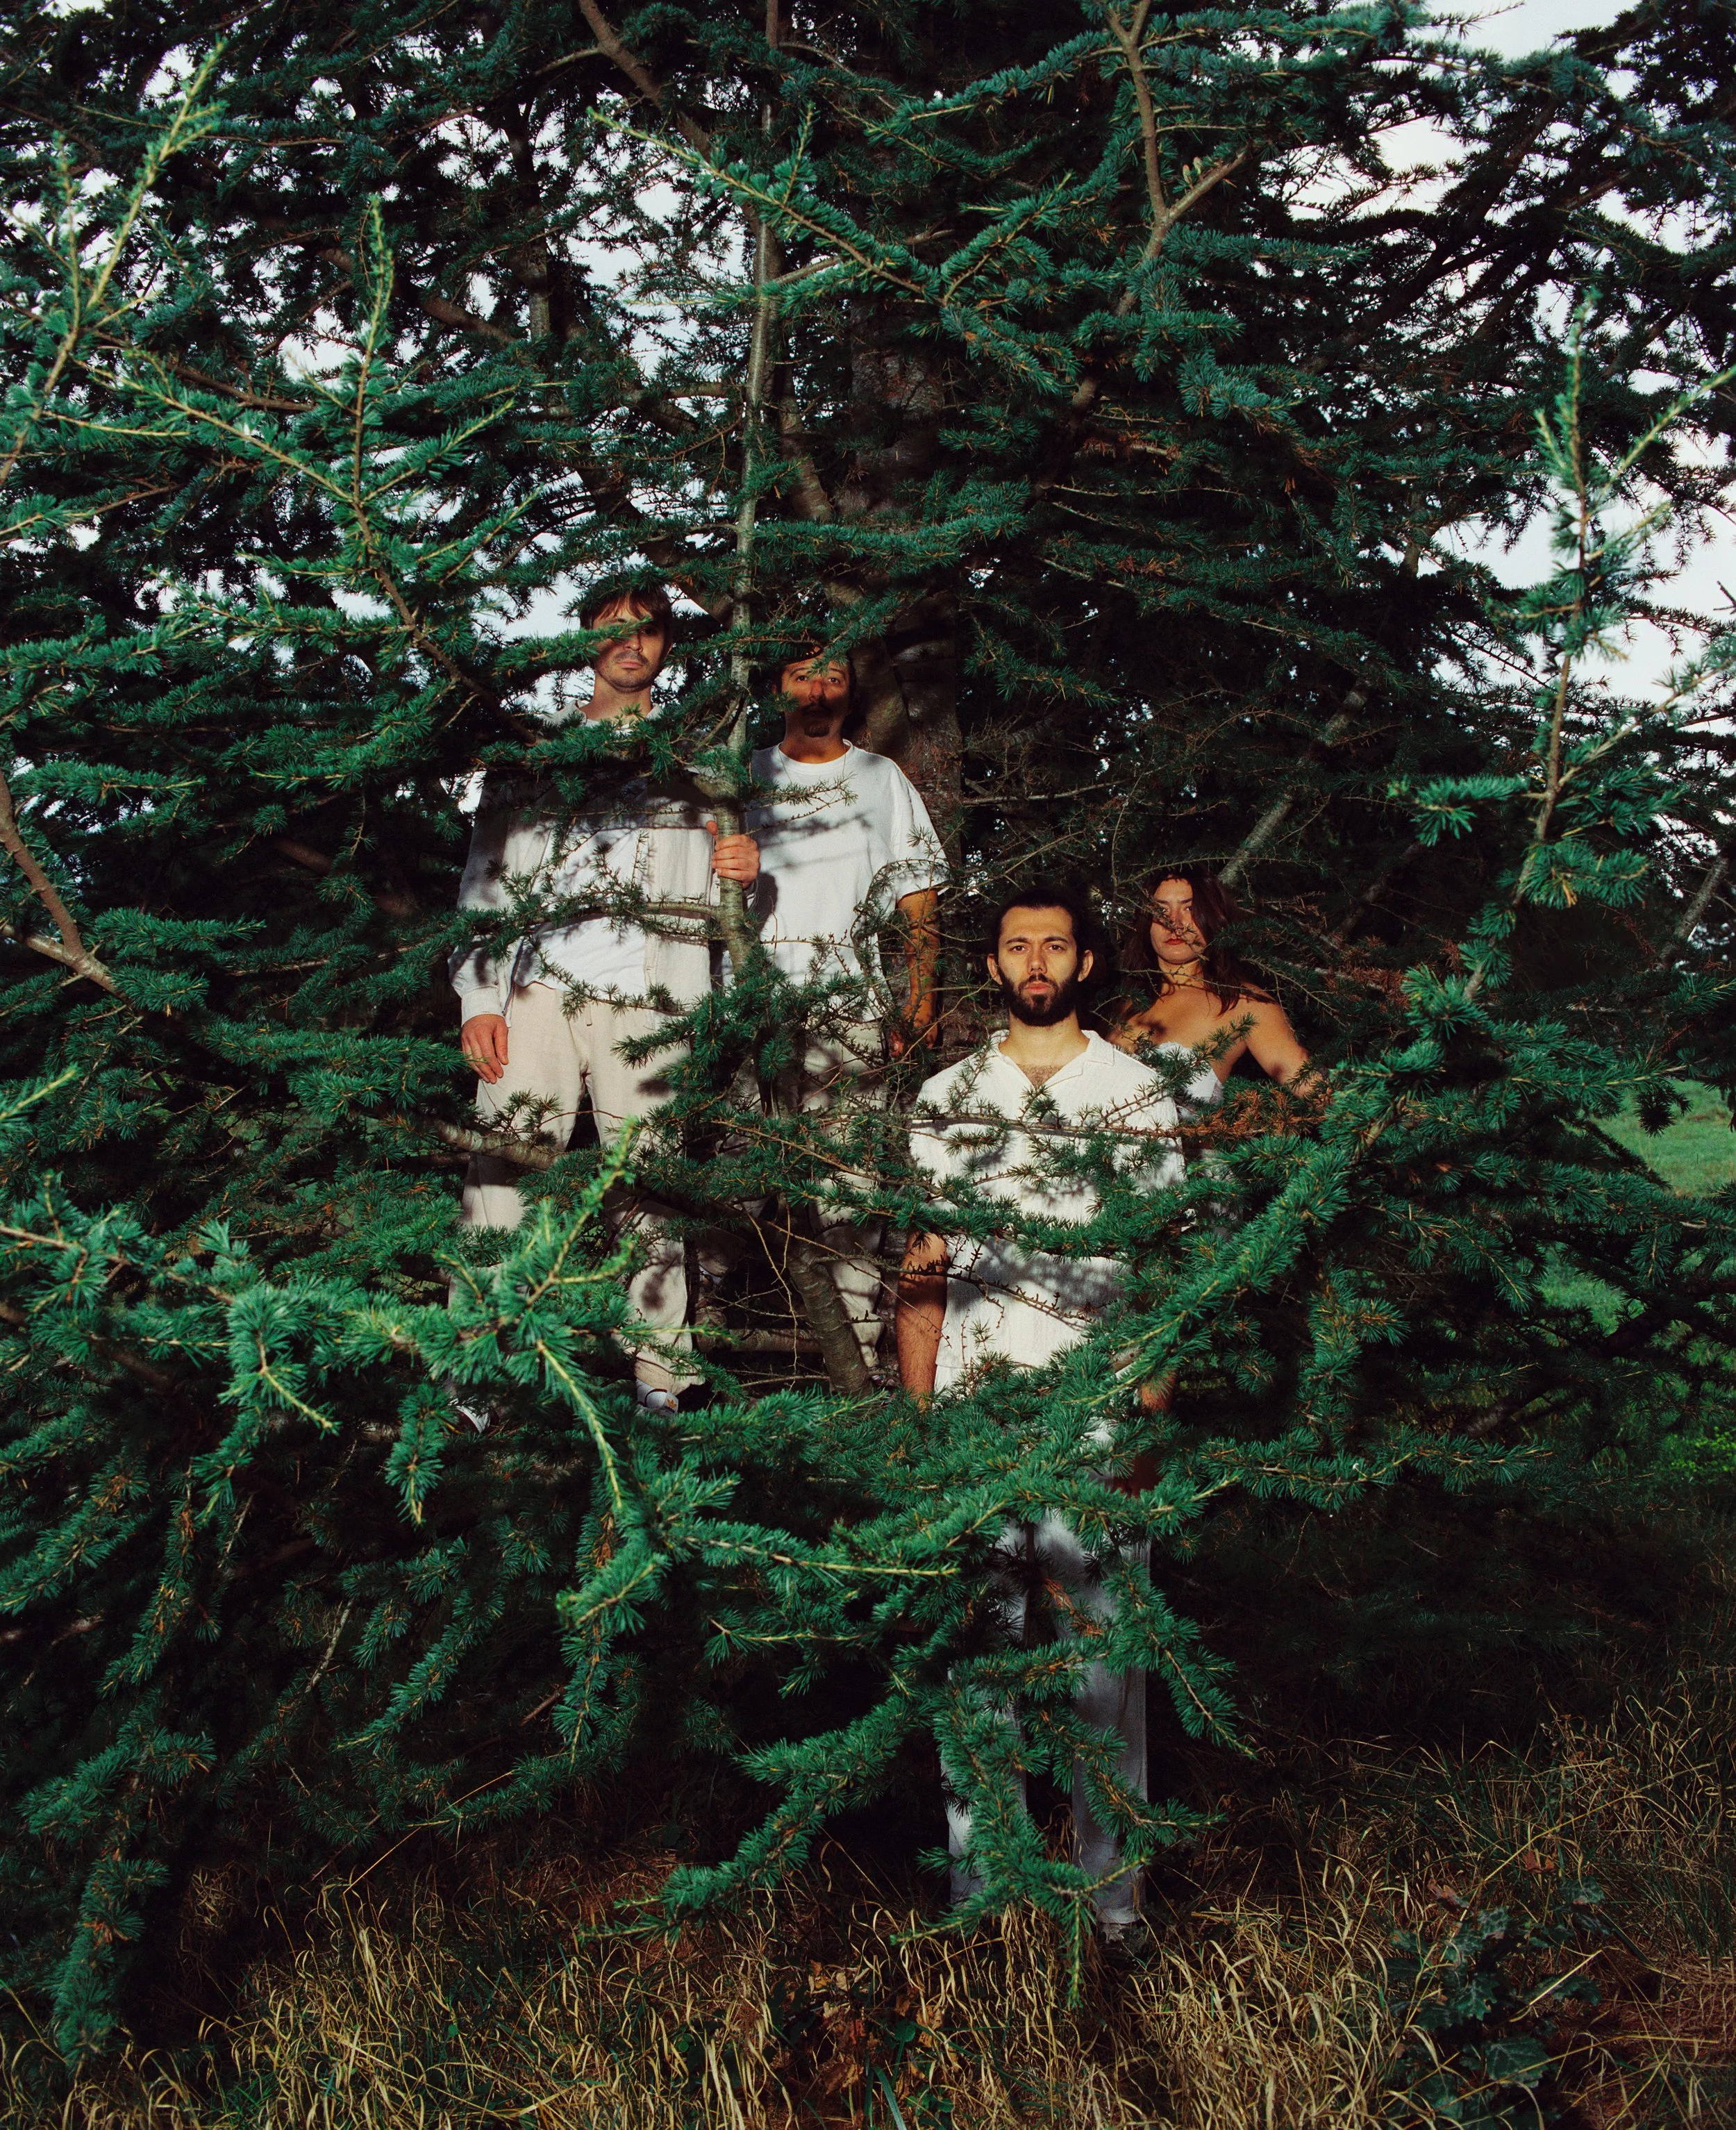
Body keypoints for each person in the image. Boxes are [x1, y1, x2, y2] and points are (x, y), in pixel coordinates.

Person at [896, 883, 1209, 1936]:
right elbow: (924, 1265)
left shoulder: (1134, 1092)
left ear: (1085, 964)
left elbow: (1164, 1267)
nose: (1036, 960)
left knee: (1103, 1674)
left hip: (1097, 1421)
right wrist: (923, 1424)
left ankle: (1112, 1914)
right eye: (1017, 945)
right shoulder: (946, 1094)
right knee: (975, 1671)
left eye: (1056, 945)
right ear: (991, 965)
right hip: (975, 1420)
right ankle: (980, 1906)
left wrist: (1147, 1419)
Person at [449, 583, 760, 1413]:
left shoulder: (699, 758)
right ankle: (478, 1377)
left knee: (652, 1191)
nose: (632, 643)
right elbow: (486, 878)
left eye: (648, 629)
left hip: (656, 1002)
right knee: (502, 1176)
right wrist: (480, 997)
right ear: (584, 639)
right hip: (535, 992)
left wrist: (747, 869)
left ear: (667, 645)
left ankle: (659, 1384)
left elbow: (733, 901)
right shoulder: (534, 752)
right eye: (613, 628)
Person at [744, 643, 949, 1369]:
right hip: (746, 1011)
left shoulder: (880, 777)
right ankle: (698, 1353)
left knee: (849, 1191)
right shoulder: (743, 774)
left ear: (850, 694)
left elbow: (918, 897)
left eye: (833, 676)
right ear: (778, 687)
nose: (818, 689)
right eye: (802, 674)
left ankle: (853, 1361)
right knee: (734, 1182)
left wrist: (918, 1001)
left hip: (850, 1013)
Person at [1112, 867, 1309, 1086]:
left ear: (1213, 916)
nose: (1174, 922)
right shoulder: (1116, 1000)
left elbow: (1316, 1089)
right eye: (1161, 910)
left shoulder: (1244, 1004)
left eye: (1190, 908)